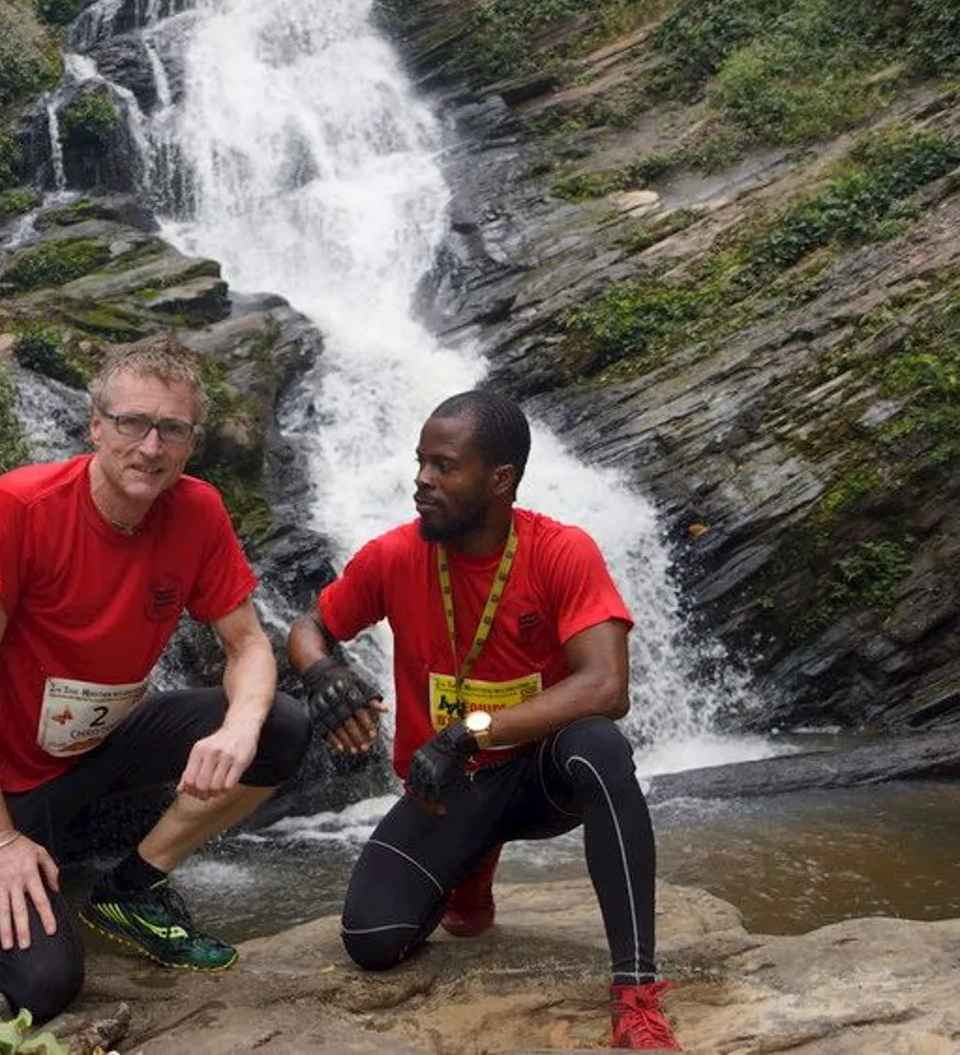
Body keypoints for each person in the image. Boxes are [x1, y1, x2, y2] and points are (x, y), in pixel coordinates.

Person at [0, 336, 309, 1024]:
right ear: (95, 424)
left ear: (191, 443)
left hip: (105, 741)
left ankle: (133, 886)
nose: (150, 446)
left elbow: (248, 643)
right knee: (41, 985)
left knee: (280, 726)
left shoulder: (199, 510)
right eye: (132, 422)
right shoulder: (21, 505)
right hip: (3, 775)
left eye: (172, 429)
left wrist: (239, 727)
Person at [286, 389, 681, 1050]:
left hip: (537, 773)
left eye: (444, 466)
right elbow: (309, 626)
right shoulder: (395, 554)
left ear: (501, 479)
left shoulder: (561, 551)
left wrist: (472, 730)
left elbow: (608, 685)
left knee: (599, 746)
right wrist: (321, 671)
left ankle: (636, 992)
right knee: (371, 940)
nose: (422, 480)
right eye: (420, 462)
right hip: (447, 786)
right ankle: (470, 873)